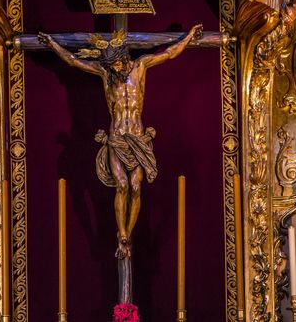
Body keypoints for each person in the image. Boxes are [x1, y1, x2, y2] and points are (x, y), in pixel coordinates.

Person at [39, 25, 203, 257]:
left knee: (136, 188)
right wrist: (53, 44)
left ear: (124, 58)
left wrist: (188, 38)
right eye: (111, 67)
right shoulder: (107, 75)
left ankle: (128, 233)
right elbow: (74, 61)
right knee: (122, 185)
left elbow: (169, 53)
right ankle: (123, 234)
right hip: (116, 138)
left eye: (116, 65)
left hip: (137, 138)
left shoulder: (141, 67)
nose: (114, 70)